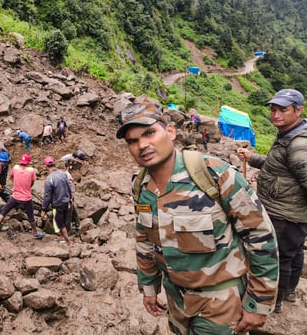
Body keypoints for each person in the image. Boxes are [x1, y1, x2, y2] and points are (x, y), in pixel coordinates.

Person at [116, 99, 278, 334]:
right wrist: (149, 287)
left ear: (170, 132)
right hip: (176, 299)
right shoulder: (141, 187)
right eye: (133, 141)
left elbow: (261, 236)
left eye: (149, 133)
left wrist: (259, 302)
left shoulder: (215, 174)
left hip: (221, 301)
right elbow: (145, 240)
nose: (142, 145)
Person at [236, 88, 307, 313]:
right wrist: (253, 158)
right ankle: (290, 292)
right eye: (273, 109)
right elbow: (280, 165)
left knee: (279, 258)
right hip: (291, 213)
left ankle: (274, 302)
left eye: (283, 110)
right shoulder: (290, 135)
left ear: (298, 110)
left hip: (284, 214)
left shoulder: (297, 143)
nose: (276, 114)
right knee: (294, 253)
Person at [0, 154, 45, 239]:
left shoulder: (15, 168)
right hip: (26, 197)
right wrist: (27, 187)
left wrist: (16, 184)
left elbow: (11, 178)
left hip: (15, 196)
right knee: (31, 216)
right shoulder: (31, 170)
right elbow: (32, 182)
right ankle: (35, 233)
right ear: (28, 162)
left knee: (4, 212)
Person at [40, 156, 73, 245]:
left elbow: (47, 196)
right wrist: (70, 199)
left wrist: (43, 209)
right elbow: (69, 187)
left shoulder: (49, 179)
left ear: (46, 166)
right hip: (66, 201)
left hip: (58, 203)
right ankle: (63, 238)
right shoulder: (63, 174)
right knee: (63, 221)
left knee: (60, 223)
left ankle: (68, 242)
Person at [63, 161, 80, 232]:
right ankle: (77, 223)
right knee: (71, 210)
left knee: (68, 214)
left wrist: (71, 197)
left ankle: (67, 231)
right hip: (68, 196)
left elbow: (71, 187)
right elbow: (72, 187)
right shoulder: (67, 175)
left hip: (66, 196)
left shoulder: (65, 175)